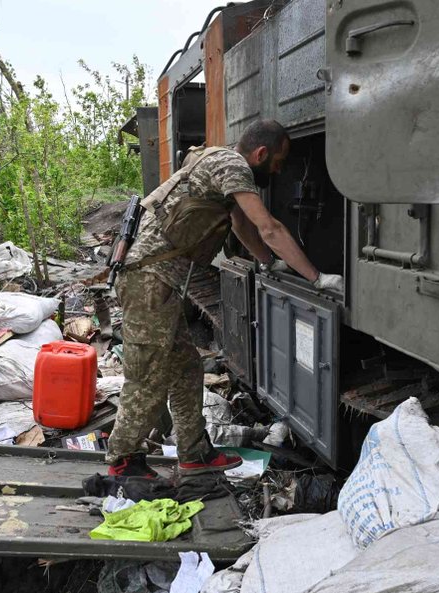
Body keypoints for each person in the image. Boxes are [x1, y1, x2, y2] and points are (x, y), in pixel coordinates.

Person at [106, 119, 343, 477]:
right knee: (147, 375)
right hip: (148, 281)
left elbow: (241, 225)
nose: (278, 171)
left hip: (158, 281)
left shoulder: (217, 161)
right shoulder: (233, 166)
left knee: (185, 368)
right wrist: (318, 278)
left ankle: (194, 452)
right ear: (260, 153)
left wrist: (267, 261)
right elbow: (269, 227)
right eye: (277, 162)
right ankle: (123, 461)